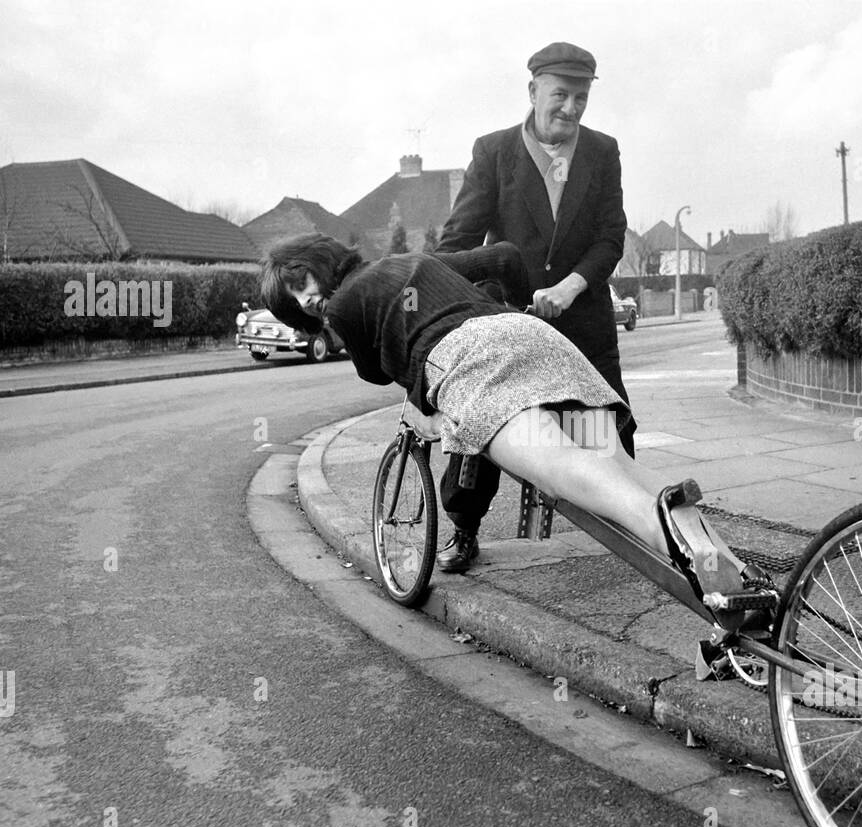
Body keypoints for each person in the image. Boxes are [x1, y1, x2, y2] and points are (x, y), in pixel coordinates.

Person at [258, 234, 751, 632]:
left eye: (303, 283)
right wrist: (514, 309)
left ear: (321, 262)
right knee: (622, 469)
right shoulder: (415, 260)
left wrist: (340, 331)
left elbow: (376, 372)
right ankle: (742, 583)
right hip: (535, 339)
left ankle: (713, 579)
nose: (307, 299)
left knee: (571, 477)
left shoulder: (343, 306)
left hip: (478, 365)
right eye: (297, 301)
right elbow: (506, 257)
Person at [432, 40, 633, 573]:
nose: (570, 109)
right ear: (533, 90)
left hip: (581, 316)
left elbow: (611, 237)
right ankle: (464, 530)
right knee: (482, 427)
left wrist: (571, 286)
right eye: (560, 95)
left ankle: (625, 525)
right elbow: (458, 243)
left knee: (599, 426)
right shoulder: (494, 152)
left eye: (581, 99)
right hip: (508, 324)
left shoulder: (602, 151)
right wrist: (486, 297)